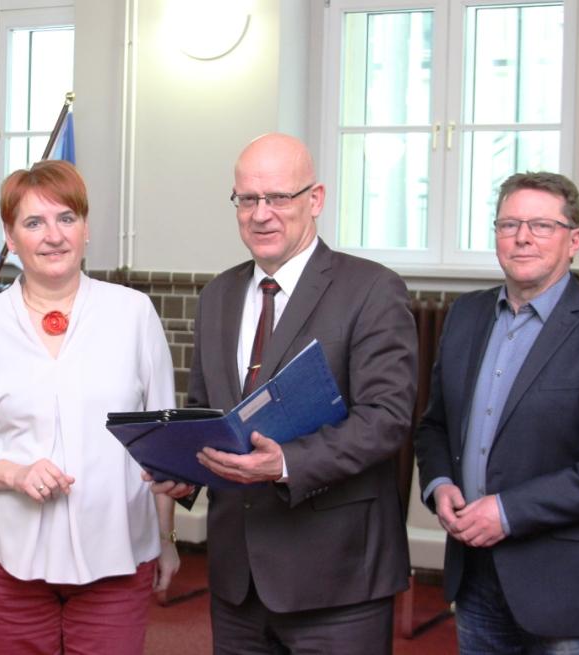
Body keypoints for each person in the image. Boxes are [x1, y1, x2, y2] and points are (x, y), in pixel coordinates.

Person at [156, 133, 418, 654]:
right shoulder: (217, 296)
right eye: (248, 199)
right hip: (237, 581)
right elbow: (206, 412)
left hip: (337, 577)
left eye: (278, 197)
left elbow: (386, 418)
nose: (261, 214)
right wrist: (183, 469)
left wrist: (285, 464)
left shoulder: (370, 289)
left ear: (315, 199)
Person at [0, 160, 180, 654]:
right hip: (8, 548)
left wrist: (167, 537)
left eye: (66, 218)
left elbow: (162, 437)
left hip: (117, 546)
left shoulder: (132, 314)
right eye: (33, 222)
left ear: (86, 229)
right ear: (10, 236)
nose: (53, 236)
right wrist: (12, 473)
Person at [414, 171, 579, 653]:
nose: (523, 237)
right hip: (476, 577)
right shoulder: (465, 317)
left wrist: (508, 511)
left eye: (542, 225)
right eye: (509, 225)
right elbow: (435, 426)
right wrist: (439, 484)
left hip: (571, 590)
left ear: (574, 240)